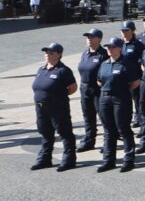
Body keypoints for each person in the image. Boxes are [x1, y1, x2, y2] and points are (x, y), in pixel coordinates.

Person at [96, 37, 140, 172]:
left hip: (120, 98)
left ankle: (128, 159)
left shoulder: (126, 63)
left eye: (113, 47)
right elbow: (99, 81)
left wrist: (121, 90)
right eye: (108, 47)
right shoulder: (104, 63)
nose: (110, 49)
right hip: (104, 98)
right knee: (109, 130)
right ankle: (109, 160)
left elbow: (135, 82)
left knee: (123, 129)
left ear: (120, 48)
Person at [31, 43, 77, 171]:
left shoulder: (63, 70)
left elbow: (73, 88)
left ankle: (69, 160)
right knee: (46, 133)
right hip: (41, 108)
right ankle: (45, 159)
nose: (47, 55)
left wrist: (58, 96)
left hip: (57, 107)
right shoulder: (41, 69)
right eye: (46, 52)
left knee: (65, 132)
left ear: (59, 54)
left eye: (51, 53)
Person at [76, 28, 107, 152]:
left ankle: (108, 140)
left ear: (99, 39)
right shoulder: (85, 53)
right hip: (85, 88)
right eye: (87, 37)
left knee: (104, 116)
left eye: (92, 37)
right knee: (88, 116)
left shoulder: (103, 54)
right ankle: (89, 140)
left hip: (98, 89)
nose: (89, 39)